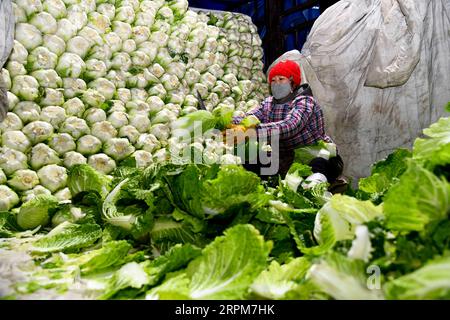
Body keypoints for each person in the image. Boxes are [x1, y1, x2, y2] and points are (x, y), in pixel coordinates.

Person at [228, 59, 344, 189]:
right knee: (252, 161)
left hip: (318, 156)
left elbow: (291, 126)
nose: (277, 84)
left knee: (316, 170)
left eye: (281, 79)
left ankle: (315, 191)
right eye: (273, 80)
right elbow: (249, 118)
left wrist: (253, 131)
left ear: (292, 82)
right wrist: (232, 124)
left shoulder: (305, 102)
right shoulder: (268, 104)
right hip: (287, 160)